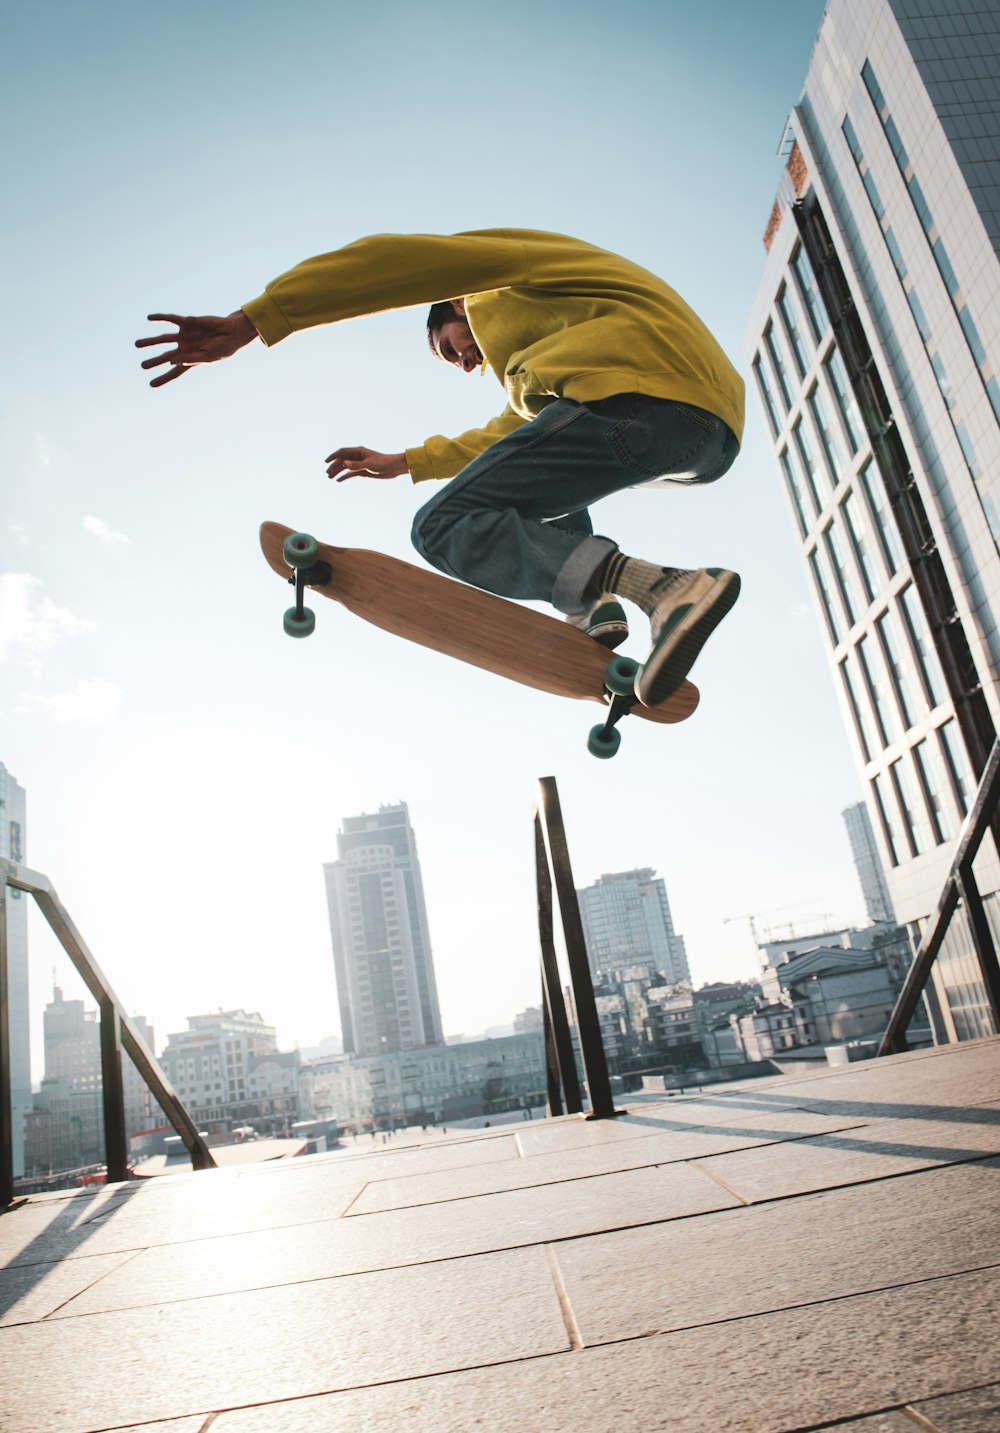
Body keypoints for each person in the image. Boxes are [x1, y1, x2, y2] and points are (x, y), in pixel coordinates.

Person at [136, 228, 744, 703]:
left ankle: (662, 587)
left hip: (642, 403)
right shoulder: (561, 355)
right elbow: (509, 439)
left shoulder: (502, 275)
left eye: (455, 345)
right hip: (702, 436)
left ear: (457, 304)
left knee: (444, 526)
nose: (469, 361)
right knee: (530, 465)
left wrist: (255, 320)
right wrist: (407, 461)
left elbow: (394, 262)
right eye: (461, 363)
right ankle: (591, 604)